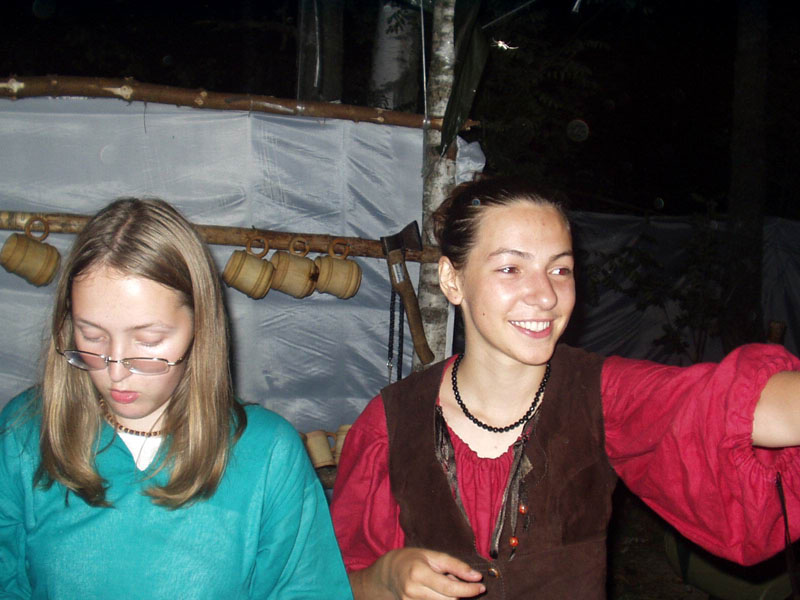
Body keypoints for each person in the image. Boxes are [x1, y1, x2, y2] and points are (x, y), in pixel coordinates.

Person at [330, 177, 800, 599]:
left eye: (560, 269)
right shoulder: (392, 422)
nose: (546, 295)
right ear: (452, 280)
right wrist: (382, 580)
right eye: (511, 268)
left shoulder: (602, 393)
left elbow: (732, 404)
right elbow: (327, 581)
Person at [0, 198, 353, 599]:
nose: (116, 370)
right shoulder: (24, 433)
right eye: (92, 336)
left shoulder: (267, 454)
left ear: (201, 326)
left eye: (148, 340)